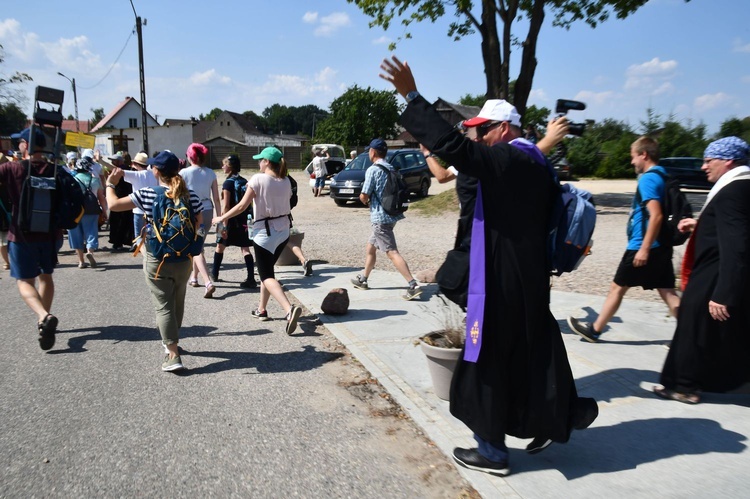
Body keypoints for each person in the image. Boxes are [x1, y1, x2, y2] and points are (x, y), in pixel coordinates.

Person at [379, 55, 597, 476]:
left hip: (499, 283)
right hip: (528, 279)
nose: (474, 136)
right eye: (473, 129)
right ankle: (558, 416)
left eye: (481, 129)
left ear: (503, 129)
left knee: (485, 364)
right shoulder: (537, 164)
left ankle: (492, 452)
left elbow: (456, 150)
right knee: (532, 354)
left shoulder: (509, 161)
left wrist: (411, 94)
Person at [654, 137, 750, 404]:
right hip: (716, 271)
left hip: (714, 275)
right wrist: (700, 225)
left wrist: (724, 292)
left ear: (728, 161)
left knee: (692, 329)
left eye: (709, 161)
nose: (704, 167)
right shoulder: (740, 186)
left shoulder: (732, 191)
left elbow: (737, 245)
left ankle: (684, 387)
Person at [567, 137, 680, 342]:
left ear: (644, 154)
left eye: (633, 157)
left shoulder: (648, 178)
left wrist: (644, 249)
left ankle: (594, 330)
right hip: (660, 245)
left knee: (617, 287)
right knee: (667, 292)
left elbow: (656, 215)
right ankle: (691, 334)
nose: (632, 162)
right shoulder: (663, 175)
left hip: (643, 245)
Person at [105, 151, 202, 372]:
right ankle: (173, 340)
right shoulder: (191, 196)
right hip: (184, 258)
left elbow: (114, 205)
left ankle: (173, 354)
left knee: (163, 305)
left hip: (157, 257)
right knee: (177, 301)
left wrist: (111, 184)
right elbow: (199, 222)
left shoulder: (148, 193)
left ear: (156, 171)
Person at [212, 147, 302, 335]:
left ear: (267, 162)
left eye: (261, 160)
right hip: (283, 230)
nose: (258, 163)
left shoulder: (258, 179)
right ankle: (262, 309)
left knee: (267, 275)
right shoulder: (285, 181)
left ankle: (288, 310)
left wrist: (221, 218)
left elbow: (242, 206)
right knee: (266, 271)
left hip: (265, 233)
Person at [0, 127, 60, 350]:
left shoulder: (12, 168)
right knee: (46, 276)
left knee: (24, 281)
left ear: (26, 144)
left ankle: (43, 315)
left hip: (21, 235)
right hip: (50, 235)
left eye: (20, 143)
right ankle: (42, 320)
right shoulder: (55, 169)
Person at [350, 138, 422, 301]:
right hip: (392, 214)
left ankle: (413, 284)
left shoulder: (373, 170)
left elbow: (364, 195)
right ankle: (363, 279)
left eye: (369, 150)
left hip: (380, 217)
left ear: (373, 152)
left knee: (391, 252)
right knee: (371, 247)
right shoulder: (391, 167)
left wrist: (363, 199)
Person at [180, 143, 221, 297]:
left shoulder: (183, 172)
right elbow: (216, 198)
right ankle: (194, 277)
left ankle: (207, 281)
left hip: (191, 211)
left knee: (196, 247)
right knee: (199, 243)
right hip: (208, 210)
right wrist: (220, 218)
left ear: (189, 156)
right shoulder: (211, 173)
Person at [212, 154, 257, 288]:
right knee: (245, 248)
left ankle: (214, 273)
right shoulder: (244, 181)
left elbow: (226, 206)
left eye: (224, 164)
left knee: (220, 246)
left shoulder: (228, 183)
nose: (222, 167)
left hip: (229, 219)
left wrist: (223, 224)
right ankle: (251, 278)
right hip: (245, 219)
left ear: (229, 166)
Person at [69, 156, 107, 268]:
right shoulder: (95, 180)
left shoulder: (72, 180)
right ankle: (90, 252)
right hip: (91, 210)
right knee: (91, 232)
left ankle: (81, 261)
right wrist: (105, 212)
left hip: (75, 211)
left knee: (76, 234)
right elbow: (101, 198)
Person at [120, 151, 158, 245]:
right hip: (151, 209)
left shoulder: (136, 175)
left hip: (138, 210)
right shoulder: (154, 174)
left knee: (139, 237)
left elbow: (117, 171)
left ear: (136, 164)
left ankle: (144, 255)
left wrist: (100, 160)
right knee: (152, 235)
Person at [106, 152, 134, 251]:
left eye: (114, 160)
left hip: (124, 197)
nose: (112, 162)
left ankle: (122, 242)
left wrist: (100, 161)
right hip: (117, 196)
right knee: (117, 221)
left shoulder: (124, 169)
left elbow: (114, 169)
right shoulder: (117, 170)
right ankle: (117, 242)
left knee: (124, 221)